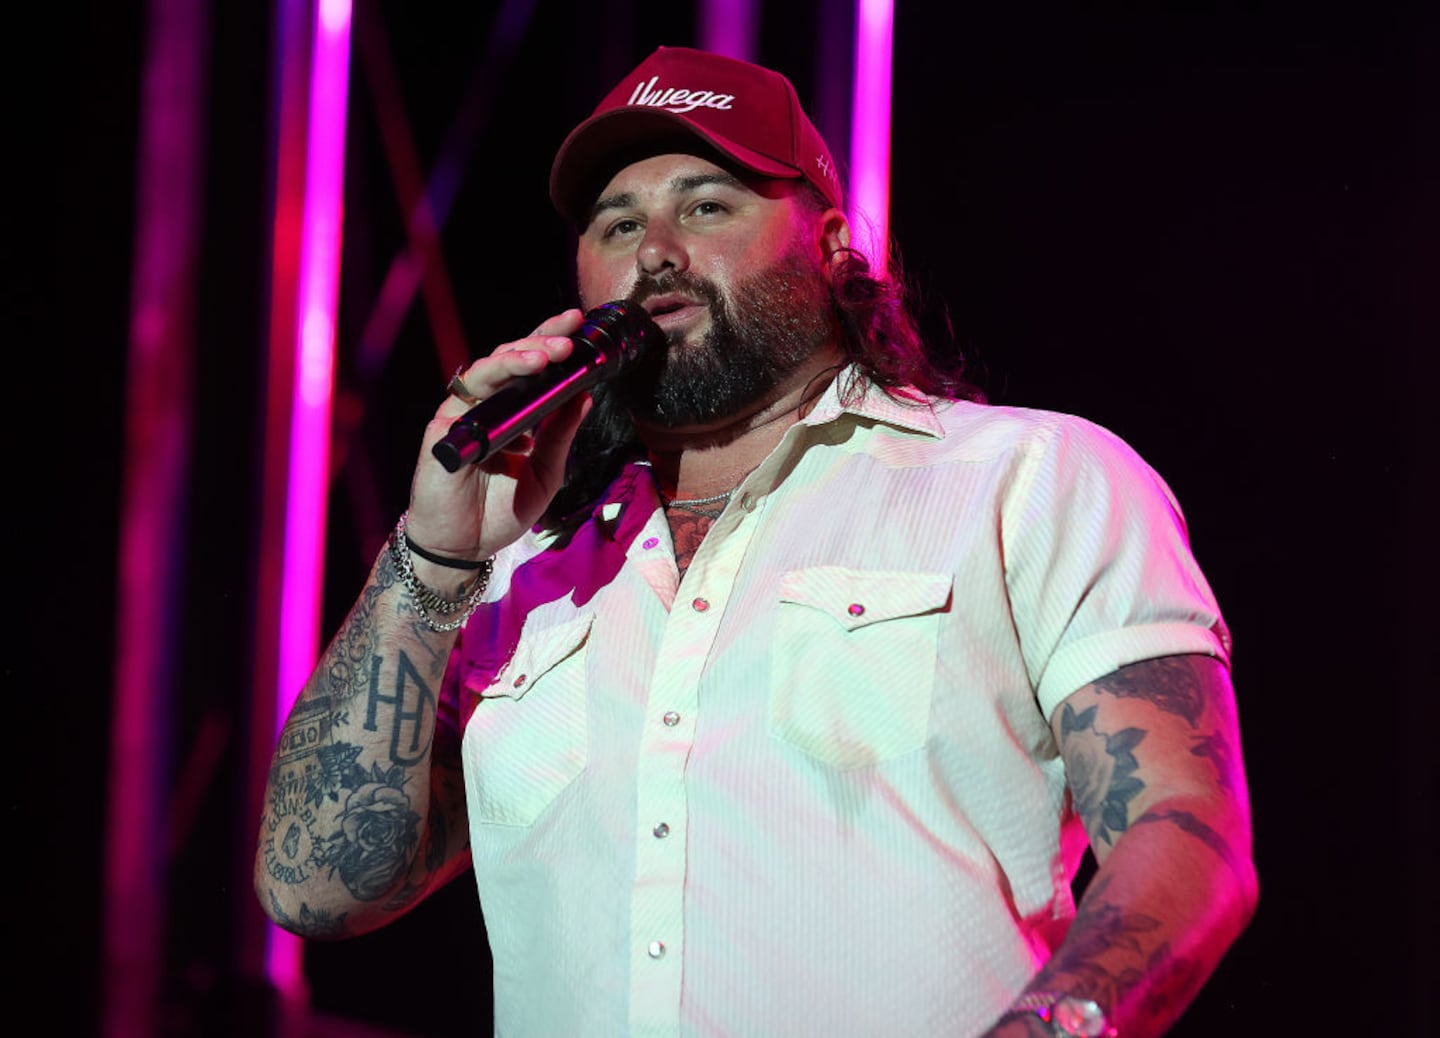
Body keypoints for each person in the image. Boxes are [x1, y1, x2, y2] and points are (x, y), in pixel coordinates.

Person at [255, 45, 1257, 1038]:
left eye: (705, 207)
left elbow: (1185, 829)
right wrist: (434, 559)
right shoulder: (520, 574)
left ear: (830, 244)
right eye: (618, 224)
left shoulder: (1028, 478)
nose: (655, 252)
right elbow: (315, 888)